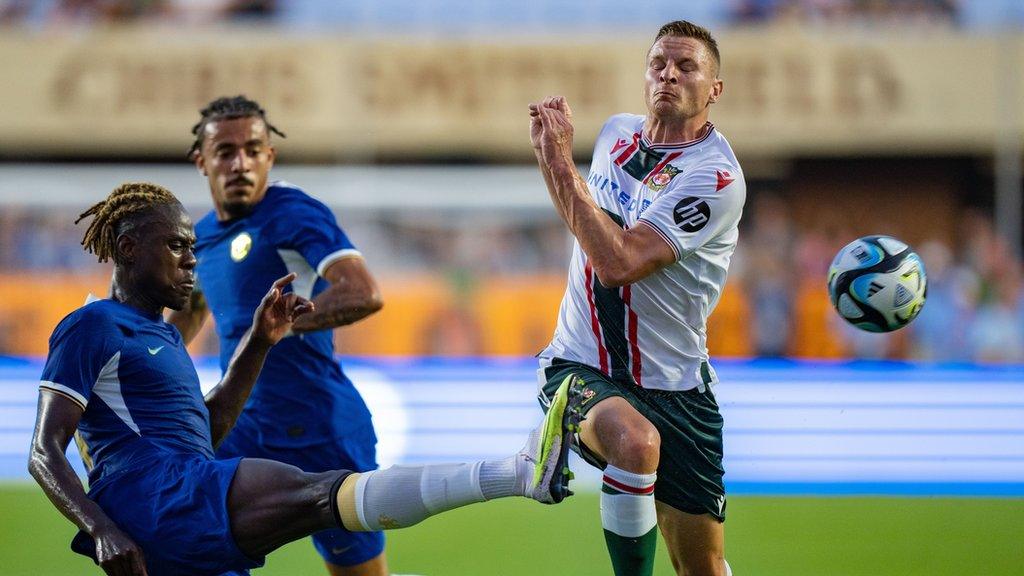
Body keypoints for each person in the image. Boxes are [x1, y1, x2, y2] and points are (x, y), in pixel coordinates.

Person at [28, 182, 581, 576]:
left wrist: (258, 343)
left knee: (323, 493)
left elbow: (210, 429)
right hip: (156, 499)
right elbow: (43, 450)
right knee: (323, 493)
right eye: (176, 247)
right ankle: (516, 474)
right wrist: (102, 530)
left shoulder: (167, 337)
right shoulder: (92, 324)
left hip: (183, 498)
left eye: (194, 248)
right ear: (127, 249)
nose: (191, 262)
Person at [530, 20, 744, 576]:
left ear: (714, 89)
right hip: (579, 363)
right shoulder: (614, 134)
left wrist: (557, 165)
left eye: (686, 67)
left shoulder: (715, 178)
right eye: (658, 64)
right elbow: (588, 227)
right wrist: (552, 160)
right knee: (634, 443)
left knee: (704, 567)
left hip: (677, 388)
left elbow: (619, 262)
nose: (669, 74)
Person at [167, 95, 387, 575]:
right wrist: (131, 361)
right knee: (194, 545)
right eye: (225, 152)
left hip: (321, 432)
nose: (240, 163)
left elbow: (363, 292)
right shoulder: (200, 238)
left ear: (270, 156)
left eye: (252, 149)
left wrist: (285, 324)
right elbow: (183, 322)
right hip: (240, 428)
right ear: (201, 161)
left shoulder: (292, 213)